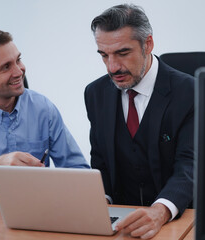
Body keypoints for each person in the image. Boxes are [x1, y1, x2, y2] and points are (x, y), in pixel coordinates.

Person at [84, 4, 194, 239]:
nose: (112, 67)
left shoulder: (191, 92)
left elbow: (189, 166)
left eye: (122, 53)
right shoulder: (95, 93)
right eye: (104, 55)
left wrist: (160, 211)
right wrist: (98, 204)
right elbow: (100, 161)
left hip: (177, 221)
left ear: (148, 44)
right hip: (122, 226)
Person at [0, 29, 89, 201]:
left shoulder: (42, 107)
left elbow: (77, 170)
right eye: (6, 67)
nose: (19, 72)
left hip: (38, 207)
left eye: (18, 60)